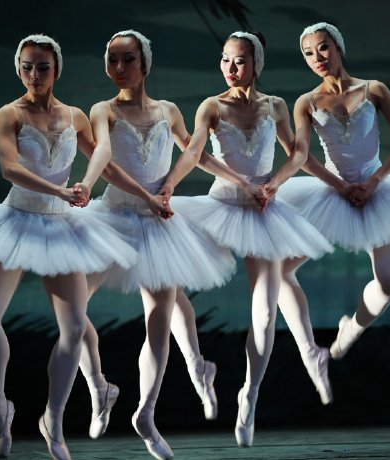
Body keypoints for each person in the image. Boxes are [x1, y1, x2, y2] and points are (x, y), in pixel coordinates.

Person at [0, 34, 137, 460]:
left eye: (42, 67)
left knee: (74, 328)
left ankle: (53, 420)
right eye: (26, 67)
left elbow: (104, 160)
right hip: (17, 219)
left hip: (62, 225)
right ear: (18, 68)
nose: (34, 75)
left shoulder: (74, 116)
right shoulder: (10, 114)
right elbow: (9, 168)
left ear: (56, 69)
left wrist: (134, 194)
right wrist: (60, 191)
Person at [163, 31, 334, 449]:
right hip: (221, 205)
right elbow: (196, 153)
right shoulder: (211, 106)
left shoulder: (275, 105)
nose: (231, 67)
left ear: (256, 63)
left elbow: (297, 153)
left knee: (264, 313)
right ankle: (197, 364)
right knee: (164, 280)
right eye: (225, 59)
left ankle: (249, 396)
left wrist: (273, 184)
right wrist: (169, 186)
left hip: (262, 209)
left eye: (239, 60)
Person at [79, 29, 244, 460]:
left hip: (159, 222)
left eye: (127, 59)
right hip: (114, 218)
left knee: (161, 318)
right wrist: (148, 195)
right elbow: (105, 161)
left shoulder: (168, 110)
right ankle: (100, 385)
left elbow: (194, 152)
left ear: (144, 64)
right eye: (112, 60)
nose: (118, 68)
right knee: (72, 310)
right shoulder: (103, 110)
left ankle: (147, 413)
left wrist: (233, 180)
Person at [275, 22, 390, 360]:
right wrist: (340, 186)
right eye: (308, 53)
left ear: (338, 47)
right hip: (332, 191)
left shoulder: (373, 90)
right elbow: (301, 156)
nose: (317, 57)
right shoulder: (306, 102)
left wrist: (374, 180)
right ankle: (309, 349)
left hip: (376, 188)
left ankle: (351, 330)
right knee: (279, 269)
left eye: (323, 47)